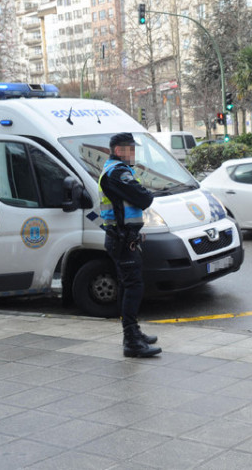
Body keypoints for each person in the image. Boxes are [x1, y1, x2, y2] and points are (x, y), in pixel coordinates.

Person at [99, 132, 162, 358]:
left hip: (122, 237)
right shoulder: (117, 173)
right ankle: (132, 341)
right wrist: (144, 192)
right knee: (133, 287)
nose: (133, 153)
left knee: (128, 286)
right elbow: (144, 198)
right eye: (130, 149)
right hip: (122, 239)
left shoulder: (115, 171)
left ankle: (133, 333)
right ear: (118, 150)